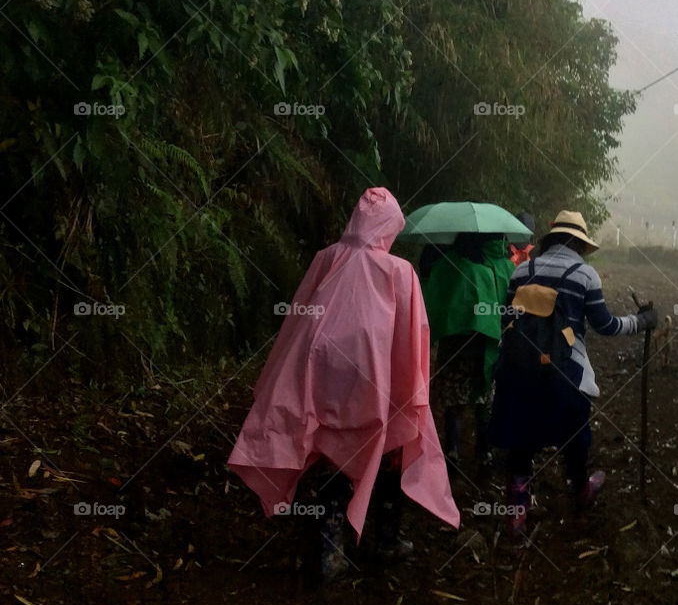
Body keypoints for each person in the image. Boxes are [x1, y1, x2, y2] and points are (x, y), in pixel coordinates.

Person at [228, 187, 460, 579]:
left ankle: (329, 545)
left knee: (333, 453)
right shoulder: (399, 272)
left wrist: (284, 374)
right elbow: (412, 335)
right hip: (377, 382)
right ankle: (384, 540)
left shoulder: (327, 258)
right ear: (391, 226)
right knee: (389, 453)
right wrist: (412, 390)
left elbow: (298, 319)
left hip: (321, 377)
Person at [488, 209, 656, 536]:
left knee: (521, 438)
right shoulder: (585, 275)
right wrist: (642, 322)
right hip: (565, 372)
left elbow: (505, 320)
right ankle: (581, 492)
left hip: (518, 368)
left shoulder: (521, 271)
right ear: (579, 244)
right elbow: (605, 326)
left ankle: (517, 512)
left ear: (550, 240)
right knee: (574, 437)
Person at [420, 232, 514, 471]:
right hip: (484, 345)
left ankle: (452, 451)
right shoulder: (497, 268)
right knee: (484, 396)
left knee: (454, 397)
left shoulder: (447, 265)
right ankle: (484, 452)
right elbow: (507, 306)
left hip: (453, 345)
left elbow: (434, 297)